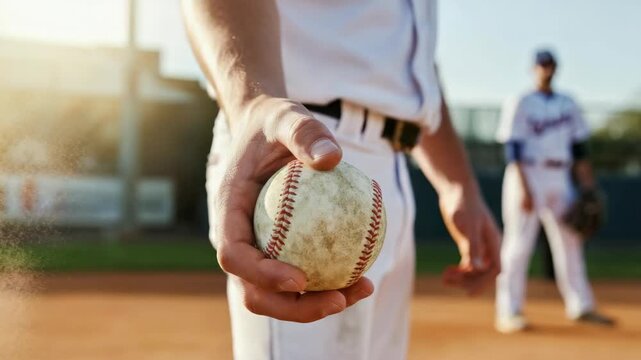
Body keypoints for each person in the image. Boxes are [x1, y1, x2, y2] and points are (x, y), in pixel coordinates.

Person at [182, 1, 501, 359]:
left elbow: (411, 63)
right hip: (292, 143)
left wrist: (456, 183)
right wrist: (253, 102)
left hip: (393, 165)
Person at [494, 49, 615, 334]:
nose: (546, 69)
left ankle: (581, 306)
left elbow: (579, 148)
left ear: (555, 69)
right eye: (542, 65)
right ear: (533, 69)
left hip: (560, 175)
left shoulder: (568, 103)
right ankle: (508, 311)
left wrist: (587, 185)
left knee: (570, 242)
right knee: (518, 245)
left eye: (550, 65)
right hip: (527, 173)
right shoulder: (521, 102)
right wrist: (524, 188)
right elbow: (512, 148)